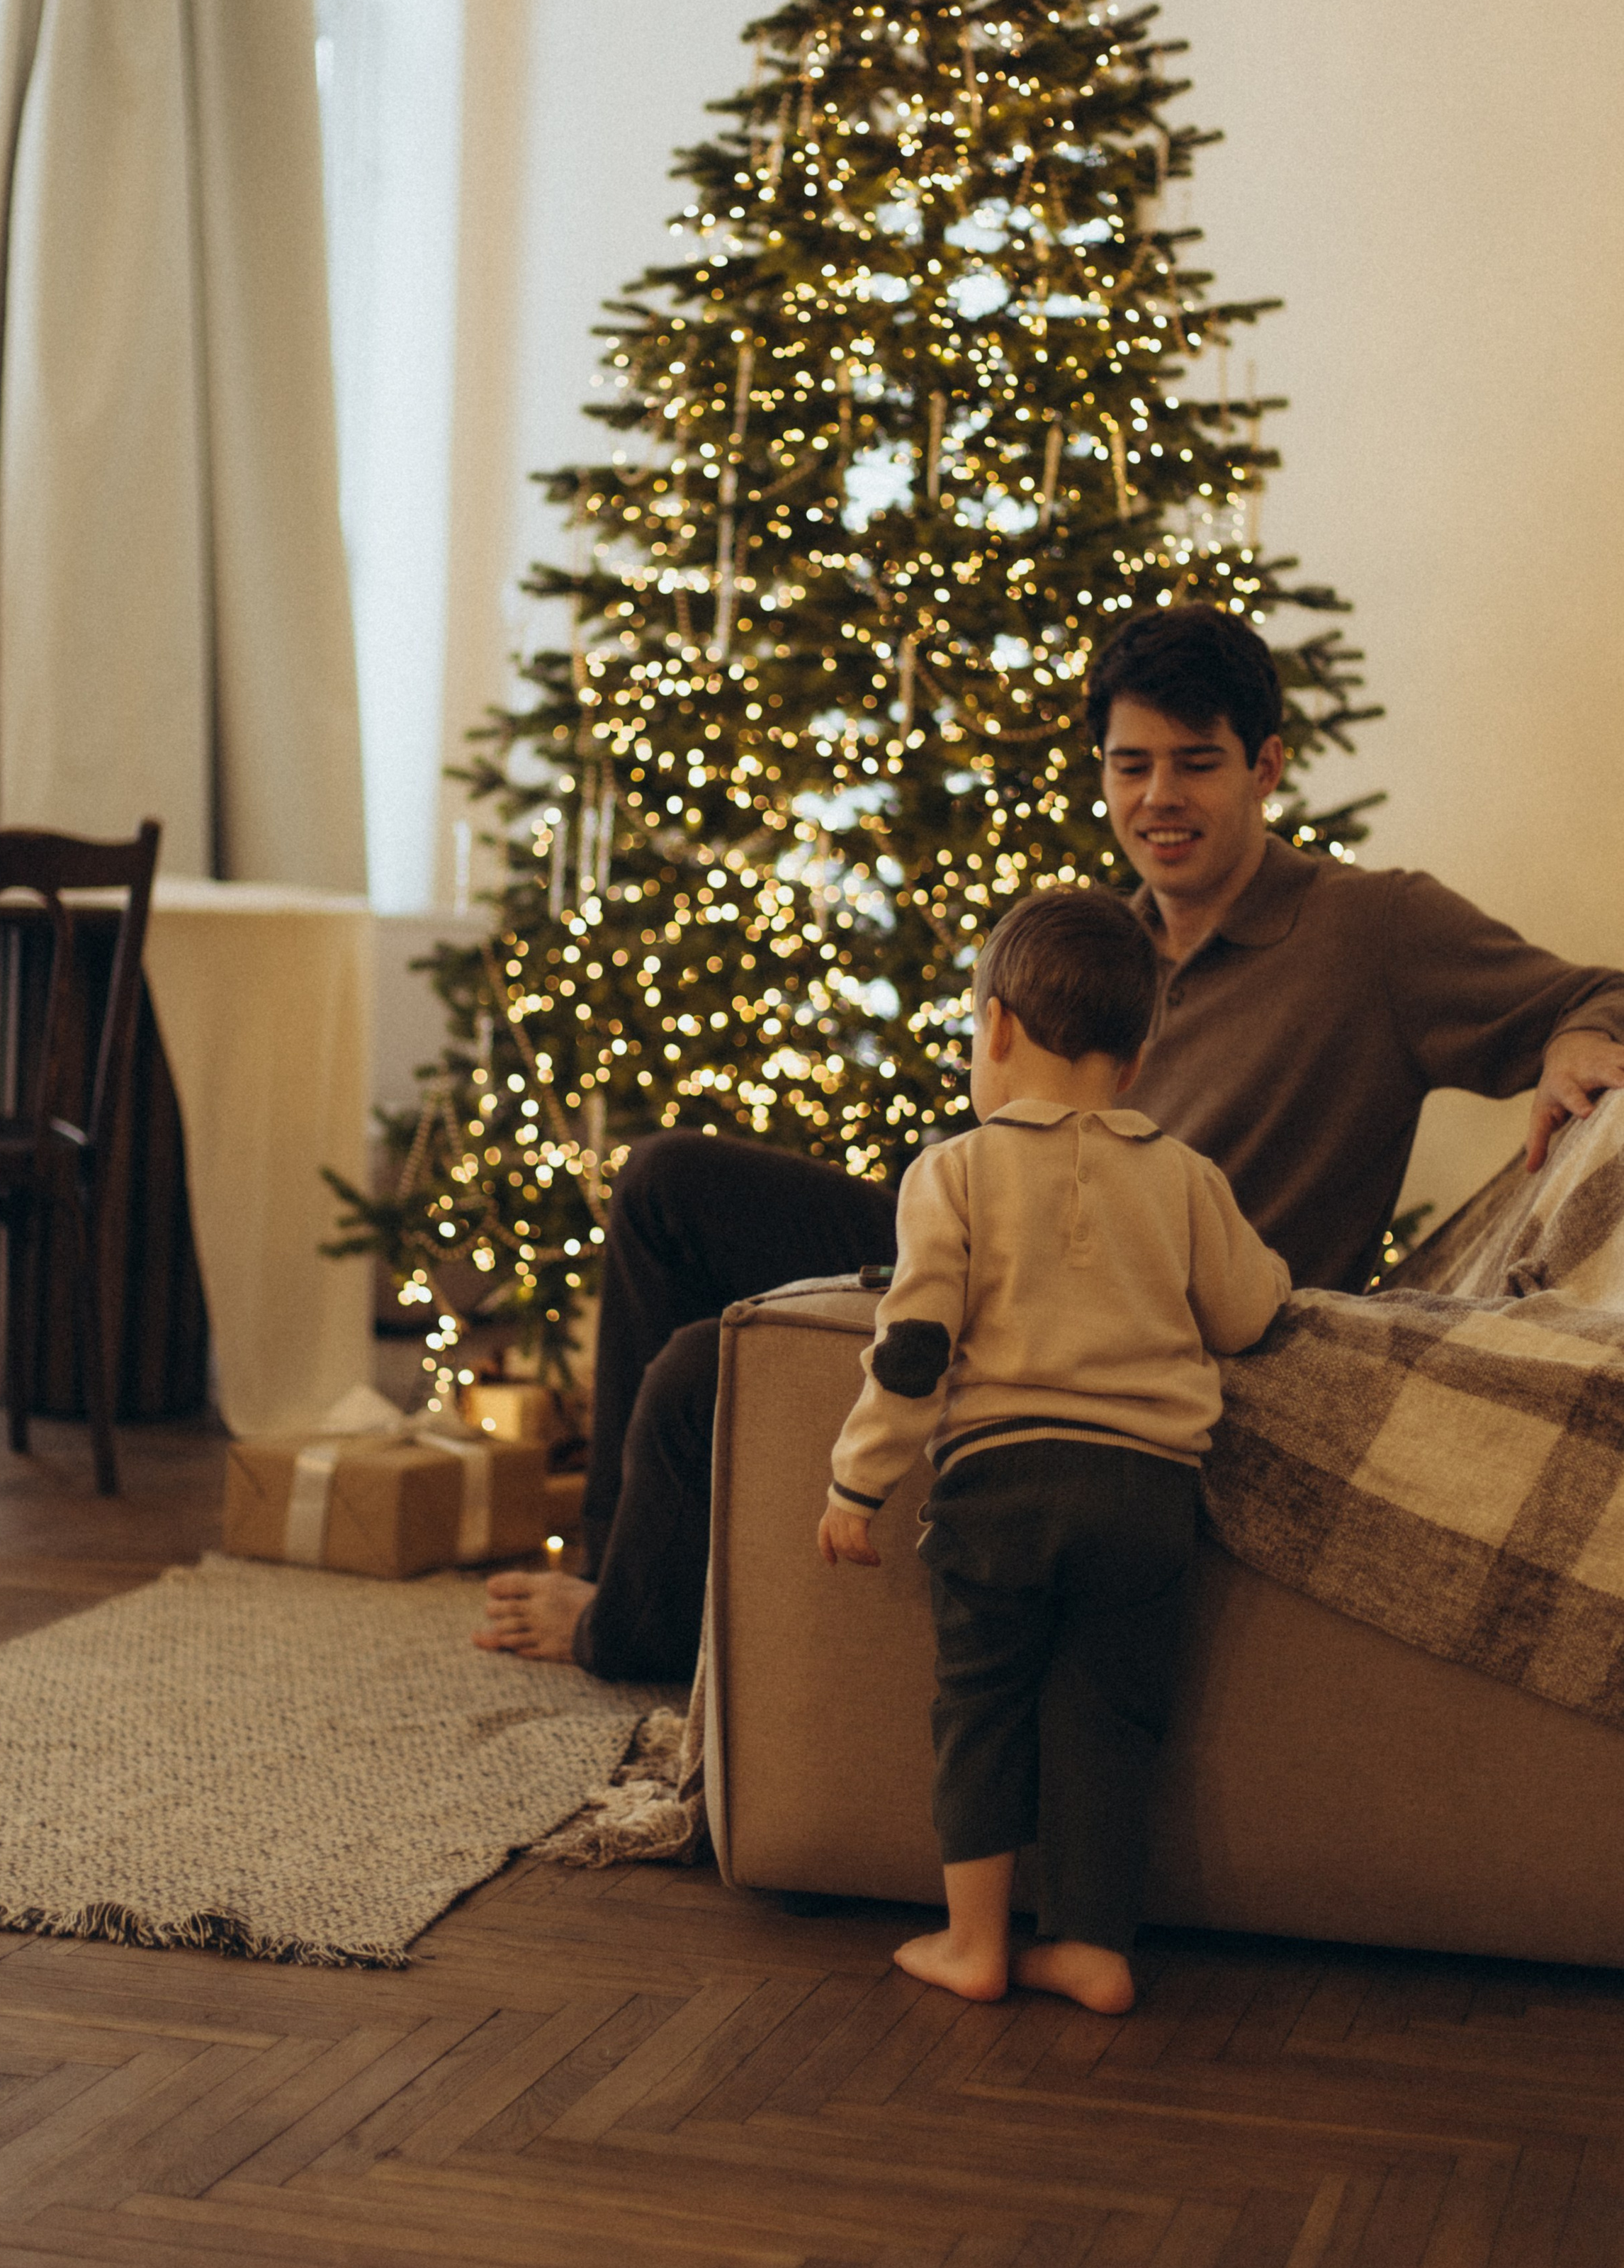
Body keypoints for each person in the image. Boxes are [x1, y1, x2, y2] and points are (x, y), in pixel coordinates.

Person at [476, 604, 1624, 1678]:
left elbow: (1603, 991)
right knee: (667, 1180)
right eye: (1131, 766)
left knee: (697, 1372)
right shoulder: (1099, 945)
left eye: (1196, 762)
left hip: (1135, 1314)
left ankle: (624, 1628)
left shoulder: (1373, 931)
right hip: (1000, 1234)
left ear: (1267, 767)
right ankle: (602, 1565)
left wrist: (1577, 1036)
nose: (1158, 798)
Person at [820, 889, 1289, 2013]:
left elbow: (914, 1344)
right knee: (1108, 1714)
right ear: (1137, 1061)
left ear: (994, 1028)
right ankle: (1091, 1942)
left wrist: (858, 1481)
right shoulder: (1185, 1175)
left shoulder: (955, 1169)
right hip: (1146, 1491)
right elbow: (1248, 1312)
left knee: (982, 1706)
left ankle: (973, 1939)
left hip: (1002, 1485)